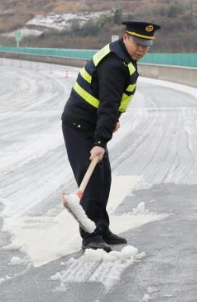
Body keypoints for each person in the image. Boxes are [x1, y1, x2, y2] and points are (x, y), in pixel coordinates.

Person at [60, 20, 161, 252]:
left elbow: (109, 103)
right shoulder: (114, 64)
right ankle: (91, 237)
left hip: (91, 122)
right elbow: (108, 104)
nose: (142, 49)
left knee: (103, 179)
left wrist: (111, 121)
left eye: (146, 46)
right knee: (92, 183)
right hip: (80, 125)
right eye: (138, 44)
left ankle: (101, 228)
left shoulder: (123, 57)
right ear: (125, 37)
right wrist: (99, 142)